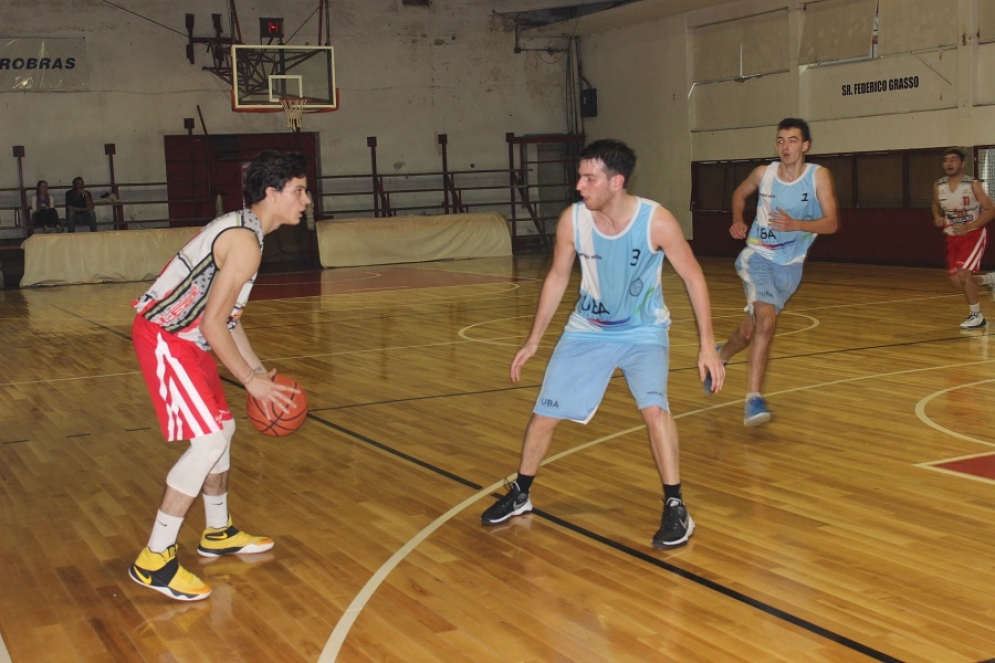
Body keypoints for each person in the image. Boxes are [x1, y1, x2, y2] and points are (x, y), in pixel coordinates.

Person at [480, 139, 724, 549]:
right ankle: (522, 492)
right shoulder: (572, 222)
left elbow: (694, 277)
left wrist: (707, 345)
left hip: (643, 332)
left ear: (616, 181)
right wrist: (534, 340)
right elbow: (558, 277)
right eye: (580, 176)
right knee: (544, 414)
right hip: (588, 331)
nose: (579, 185)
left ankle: (676, 507)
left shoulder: (656, 221)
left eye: (588, 178)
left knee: (654, 410)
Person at [129, 150, 311, 601]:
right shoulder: (246, 242)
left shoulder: (249, 231)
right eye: (299, 191)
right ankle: (155, 559)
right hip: (166, 336)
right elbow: (212, 323)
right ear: (272, 193)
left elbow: (225, 320)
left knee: (223, 429)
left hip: (190, 338)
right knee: (208, 441)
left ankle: (217, 532)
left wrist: (254, 370)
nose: (307, 200)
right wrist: (251, 381)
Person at [705, 118, 839, 426]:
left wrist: (796, 225)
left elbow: (831, 223)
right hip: (758, 257)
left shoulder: (818, 177)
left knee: (752, 330)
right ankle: (753, 399)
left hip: (790, 267)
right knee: (766, 321)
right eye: (780, 140)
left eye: (792, 140)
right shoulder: (763, 174)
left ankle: (720, 355)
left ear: (805, 145)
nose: (785, 146)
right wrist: (738, 219)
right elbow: (739, 195)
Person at [931, 148, 995, 328]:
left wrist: (969, 226)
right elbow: (935, 205)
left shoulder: (972, 184)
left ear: (962, 163)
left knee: (964, 274)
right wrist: (937, 217)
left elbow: (991, 210)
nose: (949, 163)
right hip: (952, 235)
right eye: (946, 160)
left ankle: (977, 316)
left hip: (973, 234)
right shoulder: (939, 185)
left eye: (953, 160)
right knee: (959, 281)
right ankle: (989, 280)